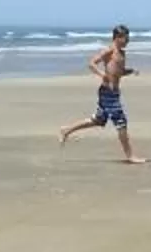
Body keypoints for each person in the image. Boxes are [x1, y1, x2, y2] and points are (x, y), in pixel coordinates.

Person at [59, 24, 144, 163]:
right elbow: (92, 63)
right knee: (121, 123)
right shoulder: (109, 51)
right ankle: (130, 156)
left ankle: (66, 130)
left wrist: (131, 71)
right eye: (125, 38)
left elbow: (119, 72)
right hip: (107, 93)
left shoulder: (122, 53)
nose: (128, 41)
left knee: (98, 120)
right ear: (117, 38)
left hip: (114, 93)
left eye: (128, 38)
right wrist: (101, 75)